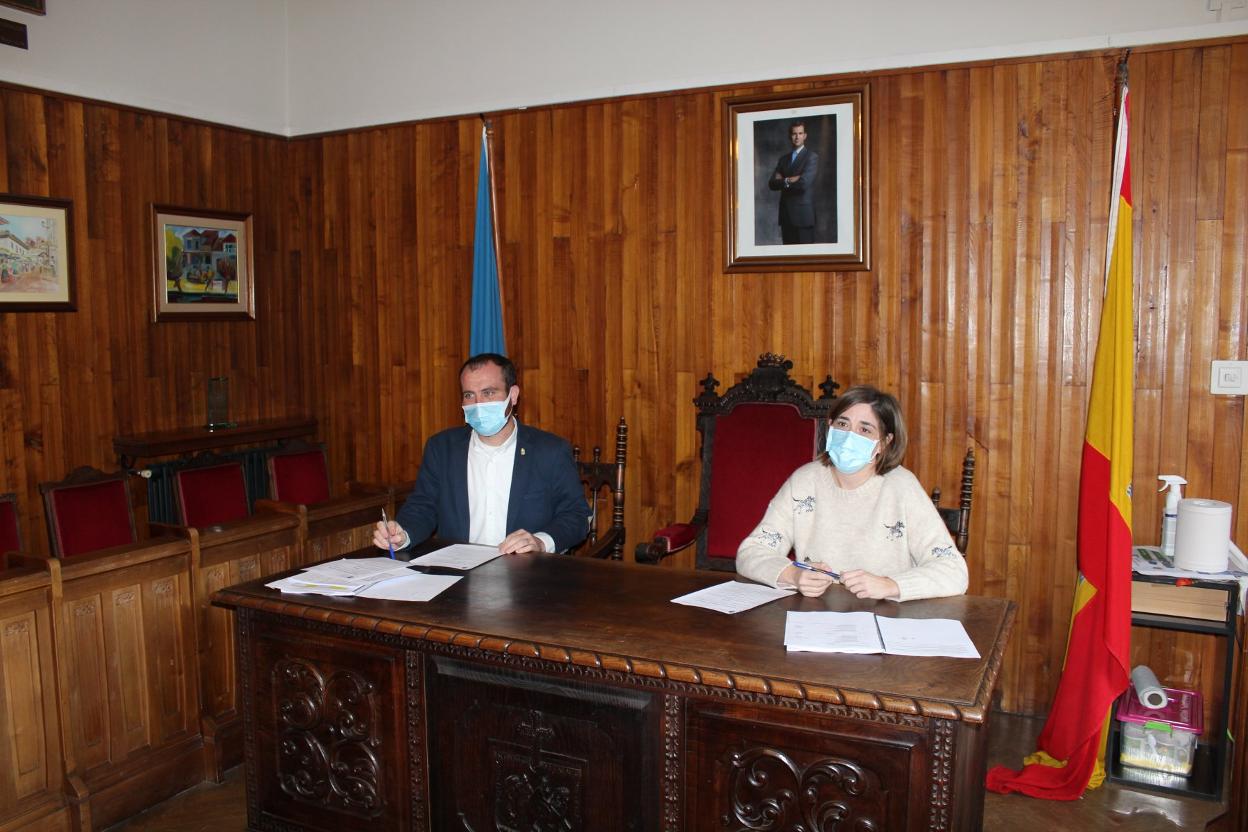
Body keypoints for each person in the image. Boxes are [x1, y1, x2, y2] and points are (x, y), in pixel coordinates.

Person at [736, 385, 968, 601]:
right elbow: (751, 552)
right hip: (816, 617)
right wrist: (792, 575)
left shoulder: (901, 487)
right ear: (830, 427)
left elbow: (953, 571)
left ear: (884, 443)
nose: (849, 436)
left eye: (864, 429)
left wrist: (890, 585)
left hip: (885, 618)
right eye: (843, 424)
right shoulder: (805, 480)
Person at [373, 353, 589, 555]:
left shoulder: (549, 450)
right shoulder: (442, 448)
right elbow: (423, 506)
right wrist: (403, 534)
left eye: (488, 393)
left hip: (529, 576)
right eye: (469, 395)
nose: (478, 405)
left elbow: (577, 515)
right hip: (458, 577)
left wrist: (541, 542)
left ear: (512, 396)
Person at [767, 120, 819, 244]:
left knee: (805, 259)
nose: (797, 137)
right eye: (794, 133)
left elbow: (803, 184)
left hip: (803, 217)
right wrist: (790, 179)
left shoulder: (811, 157)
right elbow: (772, 184)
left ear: (805, 136)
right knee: (788, 260)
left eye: (800, 133)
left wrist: (783, 181)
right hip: (786, 217)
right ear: (790, 136)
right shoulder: (783, 159)